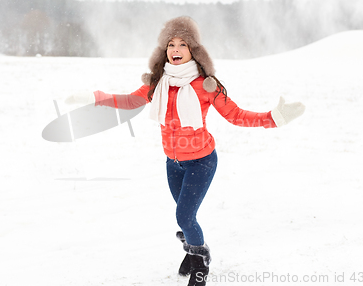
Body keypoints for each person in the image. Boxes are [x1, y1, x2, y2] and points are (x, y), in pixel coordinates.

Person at [66, 16, 305, 286]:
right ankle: (191, 254)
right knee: (184, 213)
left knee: (184, 216)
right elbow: (131, 101)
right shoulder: (158, 84)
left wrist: (274, 118)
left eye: (182, 44)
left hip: (201, 161)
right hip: (173, 163)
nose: (176, 49)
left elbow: (236, 115)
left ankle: (201, 263)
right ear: (164, 50)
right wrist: (96, 98)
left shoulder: (206, 85)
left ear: (193, 50)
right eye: (171, 44)